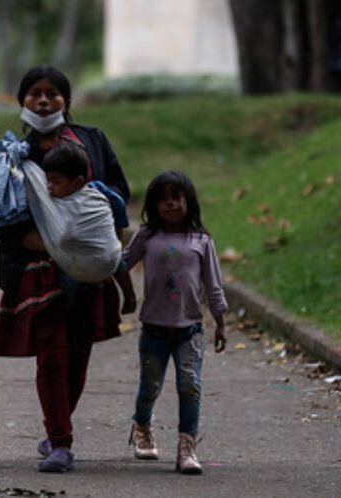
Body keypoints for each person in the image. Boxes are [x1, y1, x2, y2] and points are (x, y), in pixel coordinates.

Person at [0, 65, 132, 474]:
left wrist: (91, 230)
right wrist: (55, 243)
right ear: (22, 102)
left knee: (79, 355)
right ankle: (62, 443)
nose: (44, 100)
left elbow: (119, 189)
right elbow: (6, 219)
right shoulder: (13, 155)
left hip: (91, 266)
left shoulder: (93, 140)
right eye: (35, 93)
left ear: (65, 100)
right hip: (40, 268)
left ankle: (56, 429)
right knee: (54, 354)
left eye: (52, 93)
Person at [118, 170, 228, 475]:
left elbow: (213, 284)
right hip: (153, 328)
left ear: (189, 202)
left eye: (176, 198)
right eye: (163, 199)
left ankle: (187, 446)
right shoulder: (147, 237)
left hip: (190, 329)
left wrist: (220, 320)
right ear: (153, 205)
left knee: (190, 385)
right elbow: (122, 263)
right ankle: (142, 425)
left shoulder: (201, 240)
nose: (170, 205)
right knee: (150, 387)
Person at [41, 142, 135, 305]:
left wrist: (118, 232)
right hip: (107, 261)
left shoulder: (95, 191)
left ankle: (129, 296)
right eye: (47, 181)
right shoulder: (57, 200)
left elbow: (118, 204)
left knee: (66, 280)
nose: (49, 187)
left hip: (84, 266)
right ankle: (129, 297)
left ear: (77, 182)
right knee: (118, 261)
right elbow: (118, 203)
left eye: (55, 181)